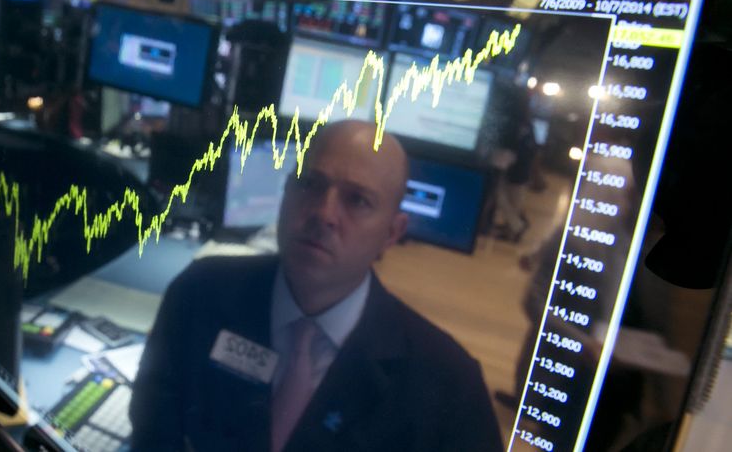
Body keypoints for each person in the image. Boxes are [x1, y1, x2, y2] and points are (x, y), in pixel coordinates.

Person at [129, 120, 503, 451]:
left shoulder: (450, 385)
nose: (324, 213)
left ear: (392, 233)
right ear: (286, 193)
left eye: (357, 200)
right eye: (310, 184)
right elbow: (152, 424)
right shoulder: (199, 293)